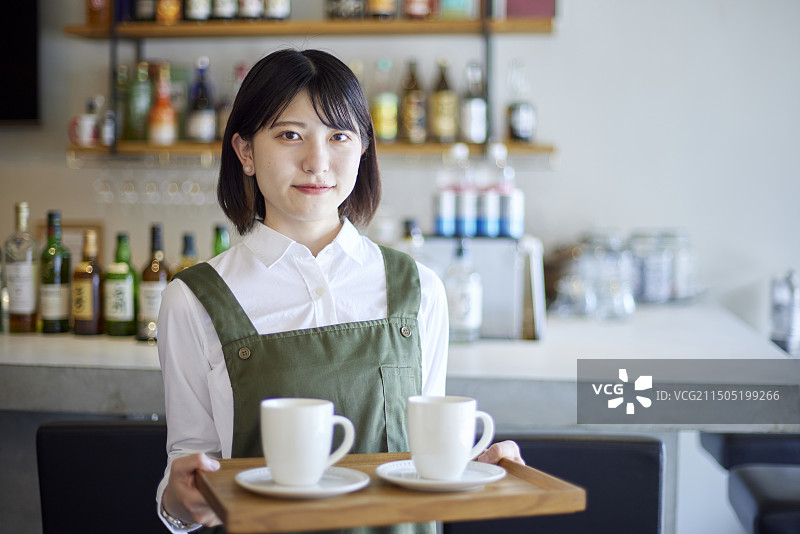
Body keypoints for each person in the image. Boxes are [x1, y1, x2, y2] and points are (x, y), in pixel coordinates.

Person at [155, 48, 524, 533]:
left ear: (363, 149)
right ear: (245, 152)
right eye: (290, 135)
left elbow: (426, 462)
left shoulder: (419, 289)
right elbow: (187, 475)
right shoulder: (194, 299)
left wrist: (480, 467)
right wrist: (183, 500)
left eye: (339, 136)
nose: (317, 162)